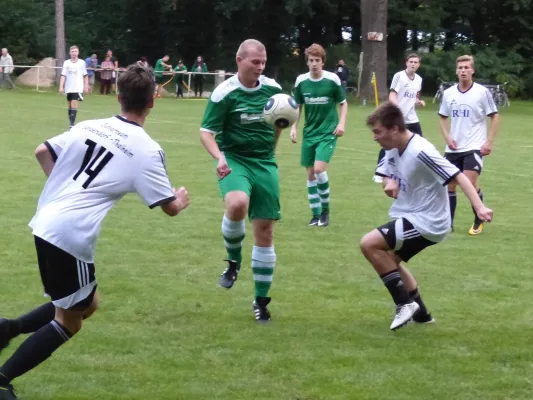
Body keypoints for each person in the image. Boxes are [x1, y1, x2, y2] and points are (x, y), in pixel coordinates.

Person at [0, 63, 190, 399]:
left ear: (118, 96)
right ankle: (2, 379)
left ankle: (9, 328)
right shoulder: (147, 149)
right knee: (69, 321)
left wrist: (64, 191)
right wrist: (181, 198)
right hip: (70, 236)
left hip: (47, 221)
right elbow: (170, 207)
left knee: (89, 303)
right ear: (153, 101)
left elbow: (42, 151)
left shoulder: (89, 125)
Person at [361, 102, 493, 331]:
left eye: (377, 132)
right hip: (411, 215)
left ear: (394, 129)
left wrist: (479, 207)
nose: (375, 137)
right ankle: (421, 314)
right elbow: (385, 173)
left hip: (428, 221)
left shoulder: (421, 150)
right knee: (389, 261)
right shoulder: (391, 147)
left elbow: (458, 176)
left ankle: (404, 303)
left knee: (369, 244)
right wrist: (388, 181)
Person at [199, 39, 283, 322]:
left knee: (265, 231)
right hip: (233, 158)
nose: (260, 67)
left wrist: (272, 151)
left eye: (263, 62)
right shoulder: (225, 93)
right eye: (254, 62)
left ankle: (261, 301)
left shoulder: (274, 90)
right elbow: (206, 132)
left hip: (264, 162)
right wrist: (219, 158)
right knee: (237, 204)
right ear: (239, 60)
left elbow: (280, 122)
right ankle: (233, 260)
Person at [438, 55, 500, 235]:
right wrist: (447, 136)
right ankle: (448, 224)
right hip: (453, 149)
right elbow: (442, 117)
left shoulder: (482, 92)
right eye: (460, 68)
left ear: (472, 70)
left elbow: (495, 116)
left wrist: (489, 141)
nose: (463, 70)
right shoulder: (449, 93)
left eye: (466, 67)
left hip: (474, 146)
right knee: (449, 185)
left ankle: (478, 219)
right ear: (456, 71)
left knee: (469, 183)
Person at [290, 43, 348, 227]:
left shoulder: (332, 80)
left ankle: (325, 212)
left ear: (323, 62)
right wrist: (294, 127)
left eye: (317, 60)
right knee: (310, 175)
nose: (314, 63)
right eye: (311, 60)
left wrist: (341, 123)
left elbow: (343, 103)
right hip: (309, 133)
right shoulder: (301, 81)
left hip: (327, 132)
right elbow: (297, 106)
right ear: (307, 62)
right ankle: (315, 215)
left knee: (318, 170)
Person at [374, 54, 425, 183]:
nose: (413, 64)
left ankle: (413, 172)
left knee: (419, 144)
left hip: (412, 118)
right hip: (399, 118)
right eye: (411, 62)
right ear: (406, 63)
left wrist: (418, 102)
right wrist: (397, 111)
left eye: (416, 62)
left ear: (418, 65)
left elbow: (415, 97)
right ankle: (380, 172)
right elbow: (392, 95)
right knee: (389, 143)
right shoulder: (399, 76)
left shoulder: (419, 79)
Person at [59, 45, 88, 129]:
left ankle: (72, 124)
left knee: (74, 103)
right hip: (69, 87)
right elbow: (63, 75)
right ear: (70, 53)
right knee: (69, 105)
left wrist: (86, 86)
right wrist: (61, 86)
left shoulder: (82, 62)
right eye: (72, 52)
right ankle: (71, 121)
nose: (74, 53)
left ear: (78, 52)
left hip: (78, 87)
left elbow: (85, 75)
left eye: (75, 51)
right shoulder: (66, 63)